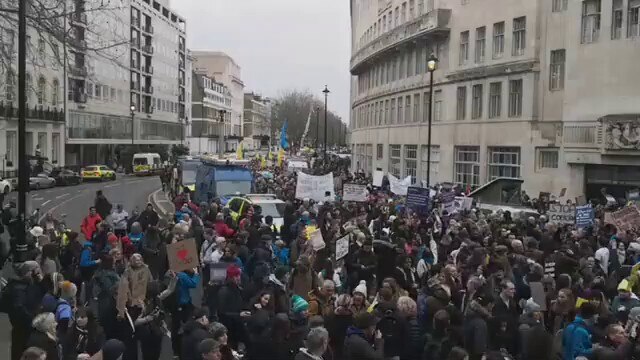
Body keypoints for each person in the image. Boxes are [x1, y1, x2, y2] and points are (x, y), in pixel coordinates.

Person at [6, 261, 45, 360]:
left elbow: (43, 292)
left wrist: (41, 281)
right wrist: (32, 319)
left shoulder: (33, 284)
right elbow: (19, 308)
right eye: (37, 270)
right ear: (30, 272)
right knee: (20, 352)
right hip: (22, 327)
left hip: (28, 326)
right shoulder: (19, 288)